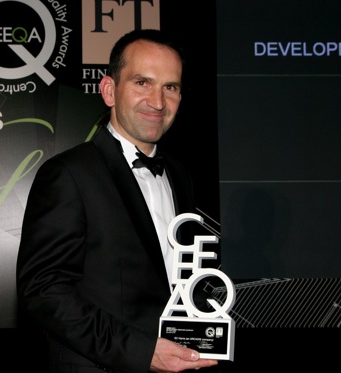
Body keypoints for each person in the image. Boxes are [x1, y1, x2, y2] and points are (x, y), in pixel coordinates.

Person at [16, 29, 219, 373]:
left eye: (170, 87)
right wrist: (142, 352)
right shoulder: (69, 173)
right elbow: (44, 291)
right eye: (142, 83)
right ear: (109, 90)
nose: (158, 102)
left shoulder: (180, 175)